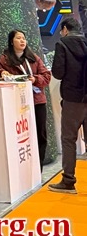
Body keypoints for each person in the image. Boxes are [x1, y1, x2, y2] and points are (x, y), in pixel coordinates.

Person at [0, 29, 51, 166]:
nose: (22, 41)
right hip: (17, 103)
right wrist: (2, 73)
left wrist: (35, 79)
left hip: (37, 101)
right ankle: (23, 166)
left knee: (40, 134)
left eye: (24, 38)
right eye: (18, 38)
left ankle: (39, 167)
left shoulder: (34, 58)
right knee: (21, 136)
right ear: (12, 42)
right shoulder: (5, 59)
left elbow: (47, 76)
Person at [49, 16, 87, 194]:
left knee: (69, 140)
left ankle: (68, 181)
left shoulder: (62, 44)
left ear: (65, 29)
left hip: (73, 98)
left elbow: (57, 72)